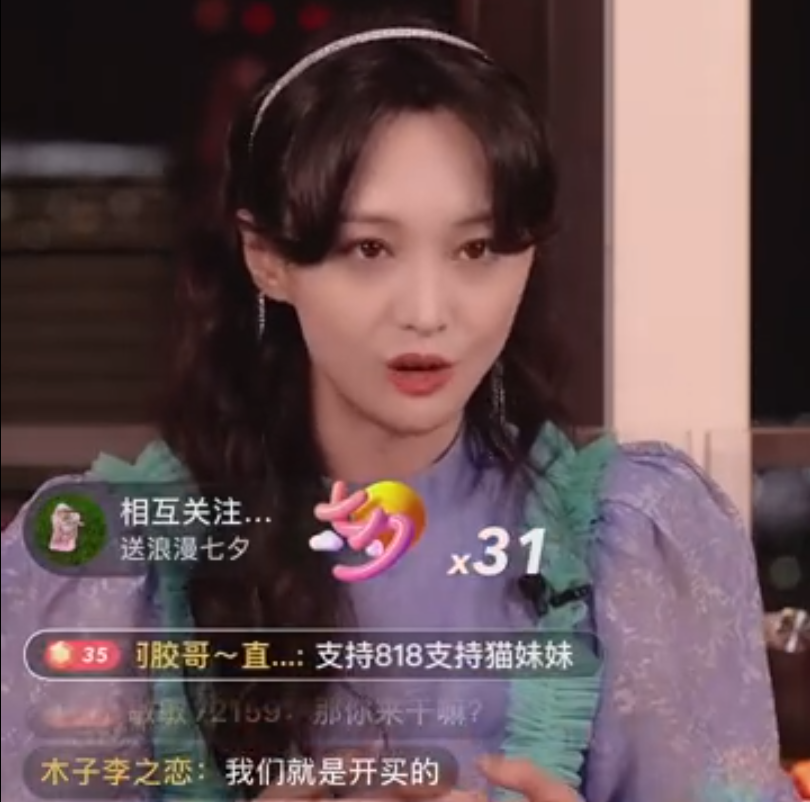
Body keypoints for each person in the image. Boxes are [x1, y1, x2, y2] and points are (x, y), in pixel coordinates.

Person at [1, 11, 798, 802]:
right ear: (267, 258)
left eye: (476, 249)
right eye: (370, 249)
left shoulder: (631, 538)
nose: (427, 311)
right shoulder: (114, 562)